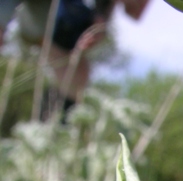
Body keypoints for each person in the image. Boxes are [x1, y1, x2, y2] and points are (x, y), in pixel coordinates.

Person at [0, 0, 149, 114]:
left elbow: (134, 12)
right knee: (70, 73)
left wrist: (99, 24)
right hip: (40, 16)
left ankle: (54, 137)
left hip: (65, 16)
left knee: (77, 78)